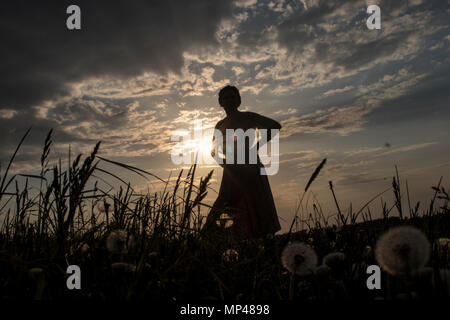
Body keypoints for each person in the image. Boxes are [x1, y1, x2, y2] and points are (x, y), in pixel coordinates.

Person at [205, 85, 281, 240]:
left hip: (251, 165)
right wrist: (225, 165)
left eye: (233, 97)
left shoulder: (247, 117)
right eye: (226, 97)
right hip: (231, 171)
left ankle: (265, 239)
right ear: (221, 102)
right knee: (224, 203)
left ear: (238, 100)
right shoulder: (220, 125)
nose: (229, 100)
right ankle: (210, 238)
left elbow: (274, 126)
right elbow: (213, 151)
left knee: (259, 201)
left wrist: (256, 146)